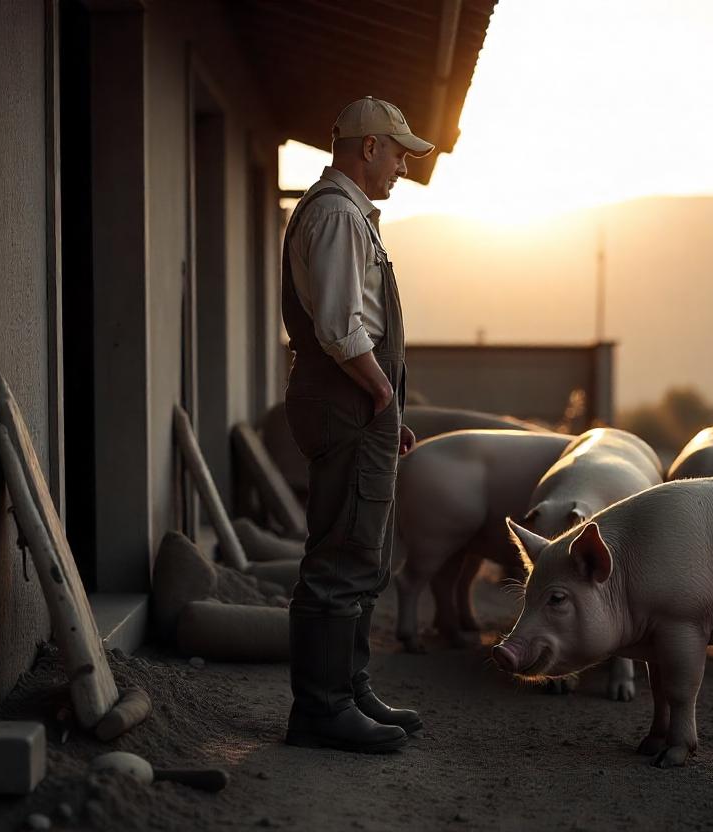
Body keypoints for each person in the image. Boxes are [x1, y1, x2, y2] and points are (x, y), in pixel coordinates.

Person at [280, 97, 432, 753]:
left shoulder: (344, 215)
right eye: (398, 152)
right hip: (347, 399)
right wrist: (380, 395)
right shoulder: (340, 218)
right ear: (367, 148)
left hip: (354, 403)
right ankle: (321, 710)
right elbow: (342, 328)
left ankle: (350, 690)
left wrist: (385, 409)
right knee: (341, 554)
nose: (402, 166)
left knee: (362, 547)